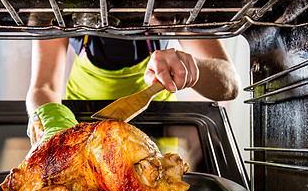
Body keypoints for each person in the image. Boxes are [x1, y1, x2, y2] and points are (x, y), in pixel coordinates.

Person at [26, 35, 240, 147]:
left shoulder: (171, 1)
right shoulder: (60, 1)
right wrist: (52, 123)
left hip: (158, 132)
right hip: (81, 125)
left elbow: (230, 84)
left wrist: (190, 67)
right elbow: (43, 86)